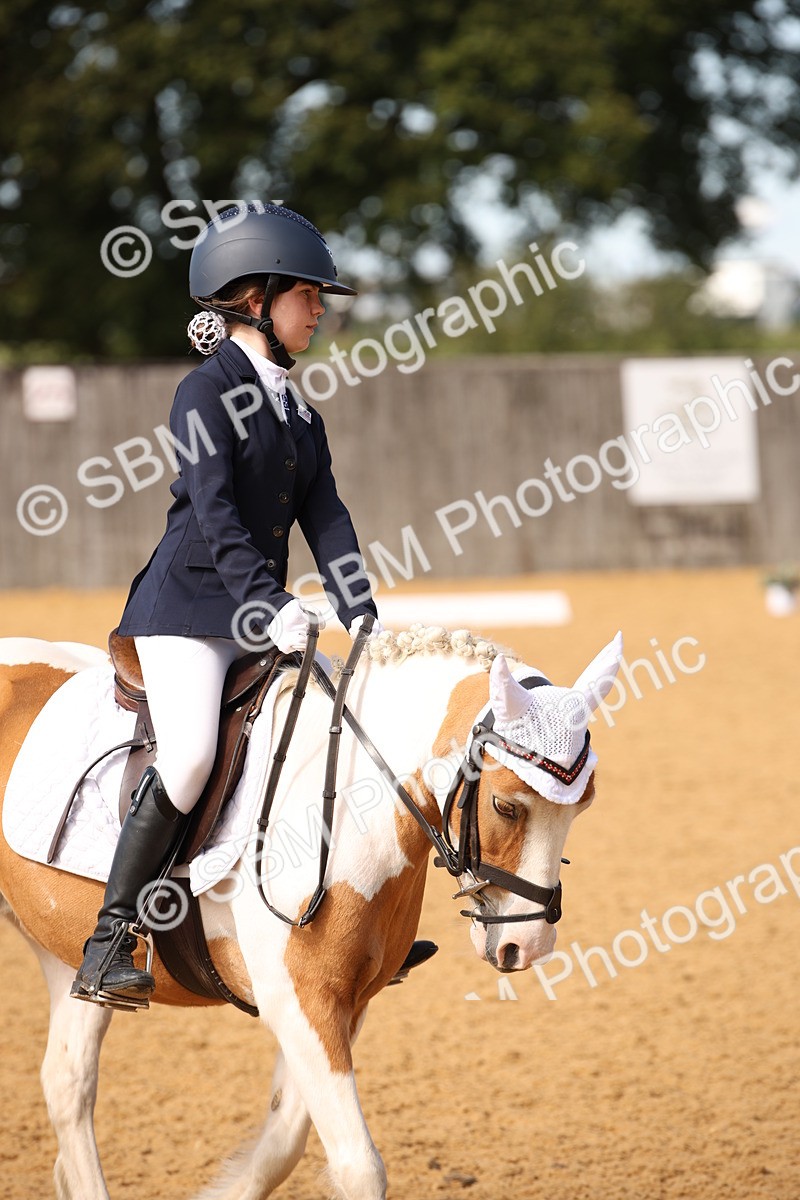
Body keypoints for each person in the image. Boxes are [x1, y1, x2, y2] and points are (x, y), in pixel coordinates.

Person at [71, 203, 435, 1007]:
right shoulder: (203, 392)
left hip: (254, 610)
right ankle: (109, 938)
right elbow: (213, 510)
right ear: (254, 299)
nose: (320, 310)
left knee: (336, 724)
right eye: (308, 295)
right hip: (186, 612)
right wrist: (268, 603)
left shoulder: (302, 413)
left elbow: (326, 514)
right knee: (194, 754)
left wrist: (358, 605)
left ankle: (351, 923)